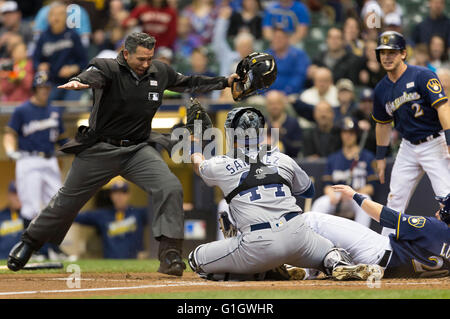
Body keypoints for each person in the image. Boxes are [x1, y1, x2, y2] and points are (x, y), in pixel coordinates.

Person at [6, 32, 239, 276]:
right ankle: (30, 241)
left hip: (137, 149)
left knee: (170, 186)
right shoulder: (106, 67)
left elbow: (190, 82)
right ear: (125, 54)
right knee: (67, 200)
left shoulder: (159, 72)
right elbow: (92, 76)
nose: (146, 64)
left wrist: (225, 81)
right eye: (141, 59)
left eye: (150, 58)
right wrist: (79, 81)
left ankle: (170, 254)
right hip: (100, 149)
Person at [188, 105, 383, 281]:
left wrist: (195, 138)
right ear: (261, 132)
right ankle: (335, 261)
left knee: (195, 259)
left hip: (258, 244)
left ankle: (262, 273)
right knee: (328, 250)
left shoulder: (221, 164)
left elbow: (198, 164)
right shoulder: (282, 158)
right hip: (298, 235)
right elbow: (308, 190)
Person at [372, 31, 450, 236]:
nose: (387, 57)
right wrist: (380, 156)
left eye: (392, 52)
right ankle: (385, 249)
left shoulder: (422, 75)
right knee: (394, 198)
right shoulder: (381, 90)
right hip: (407, 146)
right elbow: (382, 124)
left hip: (434, 142)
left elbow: (443, 107)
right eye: (383, 53)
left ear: (403, 54)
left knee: (447, 198)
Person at [302, 184, 450, 278]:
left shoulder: (436, 227)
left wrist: (355, 196)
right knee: (331, 249)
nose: (438, 212)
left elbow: (387, 217)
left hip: (377, 250)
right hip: (391, 271)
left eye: (442, 208)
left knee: (311, 219)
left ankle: (307, 269)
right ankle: (319, 268)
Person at [310, 117, 377, 228]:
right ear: (341, 134)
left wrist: (353, 194)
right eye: (345, 132)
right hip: (337, 196)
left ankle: (361, 236)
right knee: (319, 204)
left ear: (356, 134)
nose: (348, 136)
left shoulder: (367, 156)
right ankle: (315, 238)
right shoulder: (333, 158)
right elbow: (327, 185)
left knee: (366, 200)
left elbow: (371, 187)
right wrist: (331, 194)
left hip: (357, 195)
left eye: (351, 132)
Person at [74, 181, 148, 259]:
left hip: (135, 262)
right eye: (116, 192)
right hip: (111, 262)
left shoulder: (139, 213)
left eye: (123, 192)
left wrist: (149, 251)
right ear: (111, 196)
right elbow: (76, 217)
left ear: (129, 195)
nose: (119, 196)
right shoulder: (102, 215)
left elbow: (159, 215)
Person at [32, 2, 88, 101]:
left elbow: (84, 62)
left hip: (71, 82)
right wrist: (40, 66)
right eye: (53, 15)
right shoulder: (43, 37)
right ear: (48, 18)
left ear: (66, 17)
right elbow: (35, 60)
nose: (56, 18)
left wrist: (72, 69)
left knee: (72, 108)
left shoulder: (73, 36)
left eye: (60, 14)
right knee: (47, 104)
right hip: (50, 83)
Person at [266, 27, 310, 96]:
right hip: (268, 96)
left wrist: (287, 92)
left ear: (287, 39)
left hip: (292, 94)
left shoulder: (298, 55)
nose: (277, 40)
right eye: (275, 38)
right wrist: (267, 94)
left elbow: (299, 76)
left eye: (280, 38)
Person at [265, 90, 302, 158]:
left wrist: (281, 135)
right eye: (271, 104)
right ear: (266, 105)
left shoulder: (293, 123)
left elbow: (296, 151)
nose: (274, 107)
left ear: (283, 104)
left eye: (277, 103)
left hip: (287, 163)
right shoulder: (261, 122)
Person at [0, 181, 24, 259]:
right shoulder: (1, 216)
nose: (18, 197)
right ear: (9, 195)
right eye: (15, 193)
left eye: (21, 193)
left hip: (25, 261)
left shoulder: (30, 216)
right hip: (3, 260)